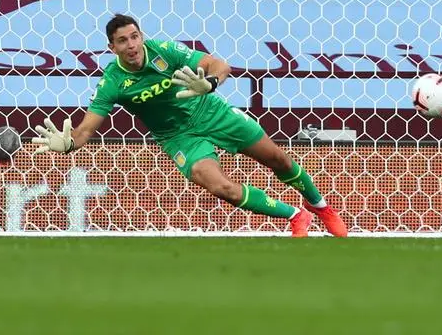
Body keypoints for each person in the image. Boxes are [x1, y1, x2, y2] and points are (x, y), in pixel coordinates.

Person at [31, 14, 348, 237]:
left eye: (134, 36)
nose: (131, 45)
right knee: (220, 187)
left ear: (141, 36)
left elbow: (218, 64)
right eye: (122, 41)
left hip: (211, 111)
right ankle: (296, 215)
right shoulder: (112, 83)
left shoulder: (164, 51)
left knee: (278, 159)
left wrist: (209, 83)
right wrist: (70, 143)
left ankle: (320, 206)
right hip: (178, 137)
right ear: (112, 48)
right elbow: (86, 131)